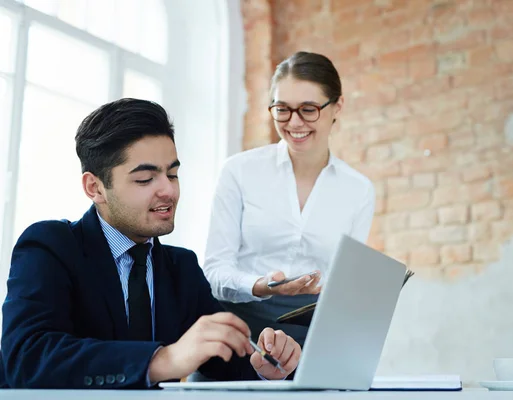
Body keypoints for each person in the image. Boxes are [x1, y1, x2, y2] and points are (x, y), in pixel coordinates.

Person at [0, 98, 301, 389]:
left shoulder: (180, 267)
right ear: (95, 187)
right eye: (145, 179)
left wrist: (264, 365)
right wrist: (163, 359)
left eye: (173, 174)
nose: (168, 191)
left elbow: (221, 358)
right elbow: (28, 357)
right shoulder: (51, 246)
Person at [203, 51, 375, 346]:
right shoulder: (239, 171)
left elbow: (344, 285)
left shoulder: (358, 190)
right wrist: (260, 286)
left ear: (337, 107)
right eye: (282, 109)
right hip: (236, 333)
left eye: (308, 109)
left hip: (310, 337)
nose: (294, 123)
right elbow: (215, 274)